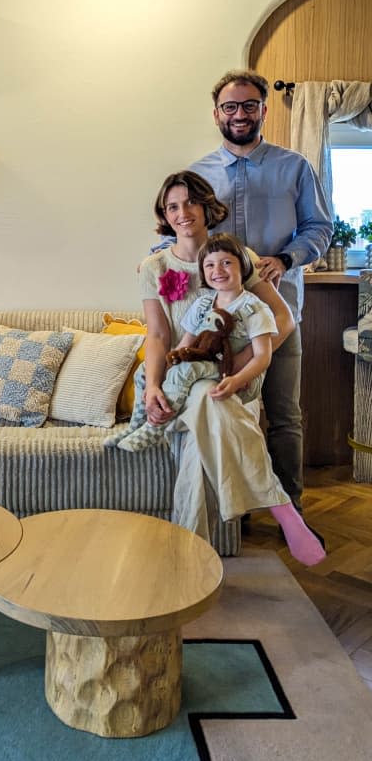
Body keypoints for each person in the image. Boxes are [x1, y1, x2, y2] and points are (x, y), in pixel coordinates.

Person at [117, 169, 324, 566]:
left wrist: (243, 365)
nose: (183, 213)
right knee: (201, 399)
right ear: (164, 214)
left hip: (230, 382)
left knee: (204, 421)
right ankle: (280, 507)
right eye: (172, 206)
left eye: (190, 202)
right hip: (180, 383)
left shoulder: (237, 256)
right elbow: (159, 336)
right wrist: (152, 388)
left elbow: (282, 318)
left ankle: (188, 562)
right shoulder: (154, 268)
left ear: (206, 205)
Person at [190, 70, 333, 514]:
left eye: (249, 105)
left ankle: (291, 509)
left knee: (285, 416)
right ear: (216, 114)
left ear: (263, 110)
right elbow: (182, 232)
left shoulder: (295, 167)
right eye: (230, 107)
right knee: (230, 413)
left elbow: (320, 227)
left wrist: (286, 258)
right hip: (220, 322)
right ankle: (238, 512)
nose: (239, 114)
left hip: (279, 314)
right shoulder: (198, 175)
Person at [114, 233, 275, 453]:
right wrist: (166, 365)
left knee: (187, 370)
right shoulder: (203, 303)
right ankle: (137, 425)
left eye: (226, 263)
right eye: (209, 265)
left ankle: (155, 426)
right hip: (205, 358)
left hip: (230, 370)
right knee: (146, 369)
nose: (217, 271)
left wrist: (238, 379)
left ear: (243, 265)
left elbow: (262, 356)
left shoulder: (253, 308)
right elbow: (186, 342)